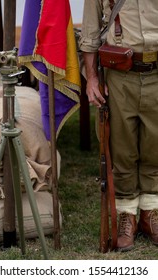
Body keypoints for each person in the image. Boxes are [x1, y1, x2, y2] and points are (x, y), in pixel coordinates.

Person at [79, 0, 158, 252]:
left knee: (154, 146)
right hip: (119, 75)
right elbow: (90, 34)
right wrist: (91, 78)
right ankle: (127, 214)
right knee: (121, 148)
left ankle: (150, 212)